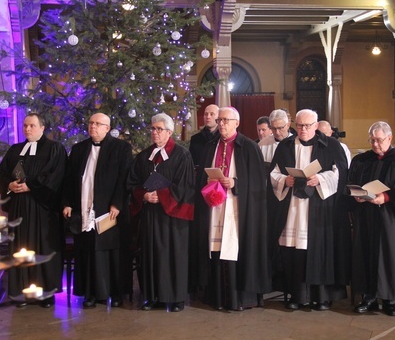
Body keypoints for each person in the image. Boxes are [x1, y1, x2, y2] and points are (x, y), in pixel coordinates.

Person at [269, 109, 349, 311]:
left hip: (320, 209)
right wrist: (284, 180)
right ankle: (296, 295)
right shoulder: (286, 145)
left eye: (307, 126)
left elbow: (340, 172)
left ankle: (321, 297)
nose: (303, 129)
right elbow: (273, 172)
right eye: (299, 126)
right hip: (293, 209)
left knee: (319, 250)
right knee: (294, 252)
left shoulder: (331, 145)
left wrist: (320, 179)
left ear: (315, 125)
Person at [192, 106, 270, 311]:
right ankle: (217, 297)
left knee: (235, 247)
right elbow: (200, 176)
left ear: (237, 122)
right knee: (215, 247)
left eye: (226, 120)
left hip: (238, 208)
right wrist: (208, 180)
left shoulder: (249, 147)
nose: (222, 124)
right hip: (214, 207)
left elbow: (258, 182)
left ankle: (240, 298)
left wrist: (235, 183)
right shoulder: (210, 146)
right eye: (219, 120)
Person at [348, 121, 395, 316]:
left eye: (379, 140)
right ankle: (368, 297)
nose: (375, 144)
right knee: (367, 254)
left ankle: (391, 299)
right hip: (366, 216)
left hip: (391, 218)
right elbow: (351, 182)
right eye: (372, 140)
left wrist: (386, 197)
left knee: (390, 256)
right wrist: (357, 194)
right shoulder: (362, 160)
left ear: (389, 138)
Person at [62, 112, 133, 309]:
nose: (92, 126)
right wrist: (67, 203)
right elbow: (69, 179)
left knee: (112, 252)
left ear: (107, 128)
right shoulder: (78, 149)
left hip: (110, 210)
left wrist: (117, 204)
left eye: (97, 124)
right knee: (88, 251)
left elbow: (124, 178)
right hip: (84, 208)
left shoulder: (121, 148)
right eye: (90, 123)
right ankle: (92, 293)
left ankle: (116, 293)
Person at [0, 113, 67, 308]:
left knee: (43, 247)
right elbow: (1, 175)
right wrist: (10, 185)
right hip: (19, 208)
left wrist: (31, 186)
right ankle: (22, 291)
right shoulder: (15, 149)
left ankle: (46, 293)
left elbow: (55, 176)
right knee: (20, 247)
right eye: (25, 126)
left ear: (42, 128)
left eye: (32, 126)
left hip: (43, 209)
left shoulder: (54, 149)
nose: (27, 129)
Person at [127, 113, 195, 312]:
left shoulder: (182, 155)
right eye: (152, 129)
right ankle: (151, 296)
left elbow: (185, 186)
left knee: (173, 256)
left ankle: (176, 298)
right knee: (150, 255)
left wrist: (162, 195)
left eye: (159, 129)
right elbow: (132, 183)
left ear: (169, 131)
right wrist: (144, 196)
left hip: (172, 217)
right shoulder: (143, 156)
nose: (154, 132)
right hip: (150, 216)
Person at [189, 104, 219, 170]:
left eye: (212, 114)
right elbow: (191, 163)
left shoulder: (222, 138)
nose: (208, 117)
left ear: (218, 117)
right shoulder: (195, 139)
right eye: (206, 114)